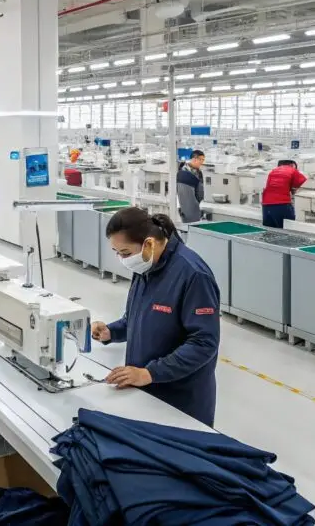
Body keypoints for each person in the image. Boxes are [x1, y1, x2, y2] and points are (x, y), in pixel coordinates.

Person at [91, 208, 220, 427]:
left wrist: (149, 373)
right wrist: (111, 332)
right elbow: (136, 318)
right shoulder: (145, 266)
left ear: (149, 244)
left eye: (124, 252)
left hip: (181, 400)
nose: (122, 259)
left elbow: (203, 343)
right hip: (146, 390)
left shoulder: (193, 275)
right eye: (117, 253)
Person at [261, 159, 307, 229]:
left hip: (266, 205)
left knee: (270, 231)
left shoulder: (273, 171)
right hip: (282, 204)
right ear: (292, 165)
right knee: (288, 230)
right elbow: (302, 181)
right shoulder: (292, 170)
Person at [176, 150, 206, 223]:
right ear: (194, 159)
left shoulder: (199, 172)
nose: (202, 162)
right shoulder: (183, 173)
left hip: (196, 205)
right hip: (186, 206)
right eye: (201, 160)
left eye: (203, 160)